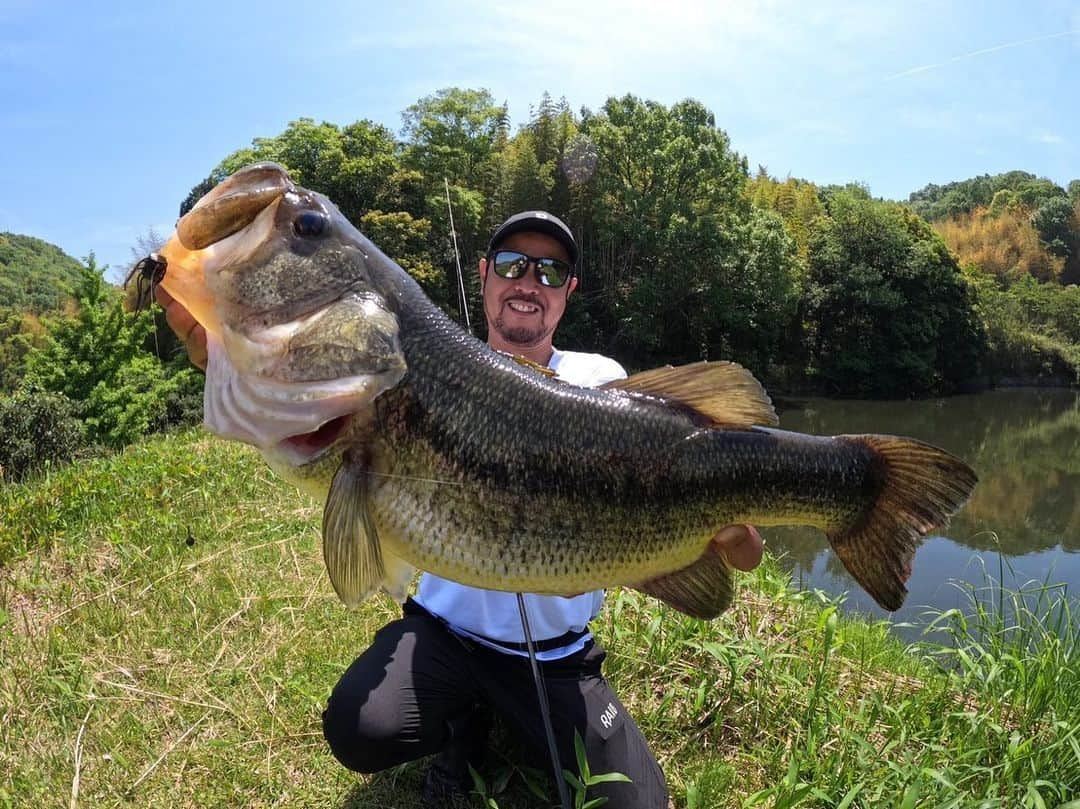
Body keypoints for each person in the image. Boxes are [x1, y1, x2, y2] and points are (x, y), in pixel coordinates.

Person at [156, 210, 764, 808]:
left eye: (551, 272)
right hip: (442, 635)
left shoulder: (598, 380)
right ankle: (462, 722)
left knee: (638, 806)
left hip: (553, 659)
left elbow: (721, 531)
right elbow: (310, 407)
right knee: (358, 729)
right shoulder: (423, 363)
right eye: (512, 265)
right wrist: (234, 356)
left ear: (568, 292)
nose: (529, 282)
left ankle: (494, 714)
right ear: (485, 275)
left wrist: (730, 532)